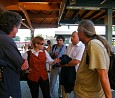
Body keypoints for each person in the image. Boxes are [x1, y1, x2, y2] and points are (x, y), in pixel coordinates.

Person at [74, 20, 112, 98]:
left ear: (82, 31)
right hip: (87, 93)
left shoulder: (93, 44)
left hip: (88, 94)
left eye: (78, 31)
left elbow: (103, 75)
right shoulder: (91, 44)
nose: (77, 33)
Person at [0, 11, 29, 98]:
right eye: (18, 28)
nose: (17, 31)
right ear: (12, 27)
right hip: (8, 83)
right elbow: (21, 65)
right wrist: (24, 63)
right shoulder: (6, 40)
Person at [60, 31, 85, 98]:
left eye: (73, 36)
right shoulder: (70, 45)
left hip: (76, 73)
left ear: (78, 37)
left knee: (77, 92)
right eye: (71, 36)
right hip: (66, 72)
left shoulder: (82, 47)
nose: (71, 38)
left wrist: (65, 64)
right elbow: (64, 56)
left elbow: (76, 61)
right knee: (65, 90)